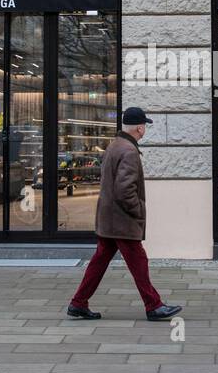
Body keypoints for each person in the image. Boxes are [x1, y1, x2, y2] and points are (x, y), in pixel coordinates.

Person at [67, 107, 182, 322]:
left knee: (99, 261)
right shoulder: (129, 151)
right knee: (139, 261)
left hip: (108, 218)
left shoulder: (114, 146)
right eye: (144, 126)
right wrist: (137, 210)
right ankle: (154, 306)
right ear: (140, 127)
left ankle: (78, 303)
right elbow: (125, 189)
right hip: (122, 220)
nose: (144, 129)